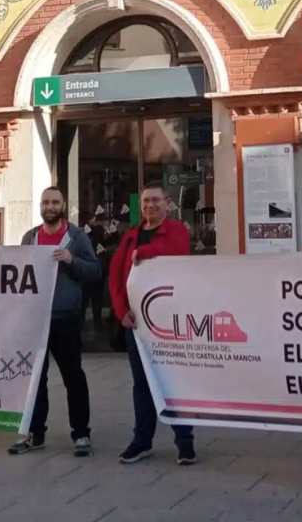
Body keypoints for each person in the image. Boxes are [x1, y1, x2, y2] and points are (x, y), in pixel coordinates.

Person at [8, 187, 100, 457]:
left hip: (65, 318)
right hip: (35, 318)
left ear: (63, 205)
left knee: (73, 377)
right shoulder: (30, 237)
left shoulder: (76, 237)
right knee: (35, 380)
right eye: (45, 202)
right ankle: (35, 433)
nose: (49, 206)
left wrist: (72, 260)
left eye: (55, 202)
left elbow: (95, 272)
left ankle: (81, 433)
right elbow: (16, 267)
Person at [109, 183, 197, 466]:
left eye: (156, 201)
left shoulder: (177, 230)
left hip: (168, 322)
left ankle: (185, 443)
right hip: (136, 323)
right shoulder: (130, 236)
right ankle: (142, 441)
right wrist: (121, 311)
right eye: (146, 201)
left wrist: (145, 252)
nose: (150, 206)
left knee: (174, 382)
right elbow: (115, 277)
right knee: (142, 384)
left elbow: (176, 250)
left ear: (167, 203)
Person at [82, 211, 109, 330]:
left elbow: (107, 242)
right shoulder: (86, 231)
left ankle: (95, 324)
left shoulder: (98, 230)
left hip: (96, 269)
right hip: (91, 269)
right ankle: (93, 323)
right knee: (88, 298)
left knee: (94, 298)